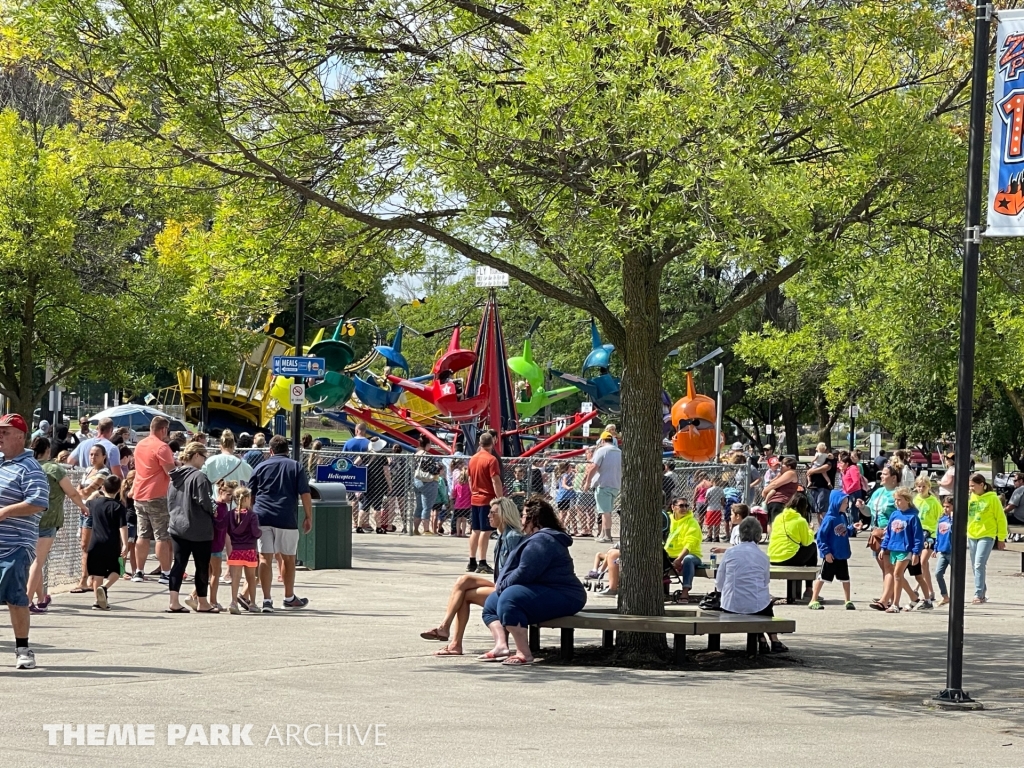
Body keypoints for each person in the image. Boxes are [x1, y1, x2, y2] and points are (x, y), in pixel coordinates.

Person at [479, 497, 586, 666]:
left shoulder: (543, 541)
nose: (521, 520)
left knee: (509, 598)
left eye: (523, 516)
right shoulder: (536, 538)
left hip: (566, 595)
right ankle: (501, 646)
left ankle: (524, 653)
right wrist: (500, 588)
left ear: (534, 519)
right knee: (492, 602)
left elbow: (525, 572)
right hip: (542, 588)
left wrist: (503, 585)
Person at [420, 498, 525, 655]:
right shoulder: (503, 535)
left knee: (465, 595)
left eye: (492, 512)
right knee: (464, 580)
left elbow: (516, 569)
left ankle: (452, 639)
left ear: (504, 515)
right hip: (502, 584)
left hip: (509, 589)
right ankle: (446, 630)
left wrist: (501, 585)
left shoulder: (513, 537)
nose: (488, 515)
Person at [0, 414, 49, 669]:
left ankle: (23, 649)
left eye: (5, 432)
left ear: (20, 436)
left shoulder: (29, 468)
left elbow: (39, 502)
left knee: (14, 595)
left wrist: (5, 511)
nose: (0, 436)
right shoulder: (1, 463)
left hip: (16, 545)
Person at [249, 435, 313, 611]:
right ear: (287, 450)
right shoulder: (295, 466)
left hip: (262, 515)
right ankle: (288, 596)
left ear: (270, 451)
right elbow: (305, 493)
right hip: (285, 516)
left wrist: (250, 516)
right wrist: (309, 516)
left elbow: (250, 495)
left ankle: (267, 600)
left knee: (264, 557)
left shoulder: (260, 467)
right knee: (288, 558)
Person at [28, 438, 87, 613]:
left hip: (27, 518)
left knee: (36, 560)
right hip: (48, 519)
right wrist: (83, 507)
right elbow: (72, 493)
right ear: (48, 450)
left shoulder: (28, 466)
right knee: (38, 561)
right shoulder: (54, 469)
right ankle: (27, 600)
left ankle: (41, 597)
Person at [716, 516, 788, 653]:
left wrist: (723, 591)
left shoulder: (730, 553)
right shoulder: (763, 557)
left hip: (731, 605)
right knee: (763, 604)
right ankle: (774, 639)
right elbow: (765, 582)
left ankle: (762, 640)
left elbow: (720, 581)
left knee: (755, 604)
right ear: (758, 536)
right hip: (757, 606)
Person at [165, 442, 218, 613]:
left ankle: (174, 601)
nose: (204, 461)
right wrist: (215, 511)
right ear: (196, 455)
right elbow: (207, 502)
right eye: (204, 457)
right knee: (202, 566)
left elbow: (170, 501)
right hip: (199, 528)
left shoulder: (174, 476)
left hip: (177, 526)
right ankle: (202, 602)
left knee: (179, 564)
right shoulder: (199, 477)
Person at [131, 416, 177, 584]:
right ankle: (165, 572)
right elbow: (171, 473)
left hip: (139, 494)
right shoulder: (162, 447)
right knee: (161, 536)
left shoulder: (140, 445)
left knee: (142, 535)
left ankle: (139, 571)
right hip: (157, 495)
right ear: (163, 430)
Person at [69, 443, 112, 594]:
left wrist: (81, 492)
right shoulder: (88, 470)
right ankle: (89, 578)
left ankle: (84, 579)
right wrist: (80, 492)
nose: (93, 457)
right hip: (84, 510)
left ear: (104, 457)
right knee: (85, 546)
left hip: (94, 512)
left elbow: (85, 492)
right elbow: (80, 490)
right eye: (91, 454)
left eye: (96, 455)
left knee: (86, 546)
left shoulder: (104, 472)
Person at [85, 475, 130, 611]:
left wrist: (96, 493)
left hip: (95, 543)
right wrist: (125, 544)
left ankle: (98, 601)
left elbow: (87, 502)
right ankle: (104, 588)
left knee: (97, 573)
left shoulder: (95, 504)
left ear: (103, 487)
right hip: (112, 543)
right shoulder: (118, 507)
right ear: (118, 490)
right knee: (118, 570)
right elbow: (123, 527)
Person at [858, 463, 899, 611]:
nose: (881, 476)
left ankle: (885, 600)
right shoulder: (878, 492)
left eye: (885, 474)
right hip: (876, 534)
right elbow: (869, 512)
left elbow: (906, 512)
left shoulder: (898, 494)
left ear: (894, 478)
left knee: (889, 568)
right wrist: (862, 507)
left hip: (890, 534)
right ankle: (891, 597)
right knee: (885, 569)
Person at [879, 487, 925, 613]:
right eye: (895, 500)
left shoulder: (913, 517)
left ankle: (895, 604)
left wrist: (916, 552)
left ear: (907, 500)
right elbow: (888, 533)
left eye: (899, 500)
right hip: (893, 548)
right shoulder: (894, 514)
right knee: (897, 576)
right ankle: (914, 597)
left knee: (897, 575)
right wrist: (883, 547)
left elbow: (918, 537)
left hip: (906, 550)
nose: (897, 502)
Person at [808, 490, 854, 610]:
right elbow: (820, 536)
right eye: (844, 503)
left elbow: (845, 532)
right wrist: (826, 552)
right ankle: (813, 599)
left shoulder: (842, 516)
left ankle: (848, 600)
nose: (846, 505)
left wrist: (852, 529)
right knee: (823, 577)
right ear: (836, 503)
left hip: (842, 554)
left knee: (845, 578)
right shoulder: (829, 519)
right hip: (831, 555)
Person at [767, 492, 816, 599]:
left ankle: (806, 590)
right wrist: (810, 531)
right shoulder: (801, 521)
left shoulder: (779, 517)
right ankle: (809, 589)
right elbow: (806, 542)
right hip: (788, 557)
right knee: (813, 547)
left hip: (773, 557)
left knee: (797, 550)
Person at [967, 473, 1007, 604]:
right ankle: (982, 590)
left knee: (979, 564)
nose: (971, 488)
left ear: (982, 485)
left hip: (987, 535)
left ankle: (978, 594)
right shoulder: (971, 498)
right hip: (972, 535)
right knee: (975, 566)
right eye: (970, 486)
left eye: (973, 486)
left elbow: (1001, 519)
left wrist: (1001, 538)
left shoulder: (993, 499)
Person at [467, 433, 503, 574]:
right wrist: (500, 499)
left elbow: (470, 480)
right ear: (492, 442)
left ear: (480, 443)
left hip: (475, 498)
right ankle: (482, 562)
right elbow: (495, 480)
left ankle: (472, 561)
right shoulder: (491, 459)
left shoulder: (473, 459)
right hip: (487, 498)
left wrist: (474, 492)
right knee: (486, 531)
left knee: (475, 530)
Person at [226, 486, 262, 614]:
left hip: (236, 550)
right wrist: (260, 533)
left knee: (235, 578)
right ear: (247, 498)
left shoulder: (230, 514)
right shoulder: (252, 515)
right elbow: (255, 532)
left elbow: (227, 530)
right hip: (249, 550)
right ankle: (252, 603)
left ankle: (234, 602)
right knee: (251, 578)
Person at [583, 431, 621, 543]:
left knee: (605, 512)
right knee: (607, 510)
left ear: (603, 440)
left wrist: (587, 482)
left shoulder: (601, 450)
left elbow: (594, 467)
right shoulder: (619, 451)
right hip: (615, 484)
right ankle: (604, 534)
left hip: (603, 484)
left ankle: (607, 536)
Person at [664, 496, 703, 604]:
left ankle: (685, 592)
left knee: (688, 559)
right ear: (673, 507)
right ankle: (661, 591)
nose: (685, 508)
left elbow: (689, 544)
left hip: (690, 555)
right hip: (669, 555)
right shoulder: (667, 519)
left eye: (686, 506)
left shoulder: (692, 522)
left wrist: (678, 559)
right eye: (681, 505)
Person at [912, 475, 942, 610]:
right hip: (917, 533)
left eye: (924, 486)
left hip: (930, 533)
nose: (921, 489)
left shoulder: (933, 502)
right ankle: (923, 587)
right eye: (919, 486)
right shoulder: (915, 500)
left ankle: (929, 592)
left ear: (928, 487)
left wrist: (939, 537)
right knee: (919, 562)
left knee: (923, 561)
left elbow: (940, 518)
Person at [412, 435, 442, 536]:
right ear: (427, 445)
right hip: (428, 482)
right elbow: (435, 469)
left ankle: (415, 529)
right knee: (427, 507)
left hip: (417, 481)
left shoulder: (416, 455)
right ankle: (426, 529)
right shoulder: (427, 455)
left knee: (419, 506)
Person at [761, 456, 800, 524]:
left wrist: (764, 491)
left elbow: (775, 484)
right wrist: (778, 476)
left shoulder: (791, 473)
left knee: (775, 524)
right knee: (771, 523)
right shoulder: (782, 474)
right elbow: (772, 482)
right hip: (775, 502)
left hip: (780, 502)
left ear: (789, 467)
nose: (780, 466)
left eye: (782, 465)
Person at [805, 444, 835, 520]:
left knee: (823, 510)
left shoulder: (829, 459)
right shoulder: (825, 456)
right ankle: (821, 528)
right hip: (814, 487)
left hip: (823, 487)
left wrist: (812, 471)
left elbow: (826, 467)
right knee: (818, 510)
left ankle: (825, 528)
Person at [934, 496, 954, 606]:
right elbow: (938, 534)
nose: (945, 509)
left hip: (952, 551)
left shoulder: (955, 520)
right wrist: (936, 548)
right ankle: (945, 596)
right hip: (943, 551)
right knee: (938, 573)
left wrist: (952, 518)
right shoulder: (942, 519)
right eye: (944, 506)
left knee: (956, 576)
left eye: (948, 507)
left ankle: (957, 597)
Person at [703, 475, 726, 542]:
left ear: (712, 482)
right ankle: (716, 536)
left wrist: (706, 502)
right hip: (718, 508)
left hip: (710, 508)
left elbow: (706, 500)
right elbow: (722, 501)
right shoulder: (721, 490)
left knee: (709, 523)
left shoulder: (709, 490)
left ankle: (709, 536)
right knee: (717, 524)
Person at [451, 466, 472, 538]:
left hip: (458, 505)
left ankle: (457, 533)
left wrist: (453, 498)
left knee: (458, 519)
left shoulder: (457, 485)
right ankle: (463, 533)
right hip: (466, 505)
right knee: (464, 520)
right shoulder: (469, 486)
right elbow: (470, 494)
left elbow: (454, 494)